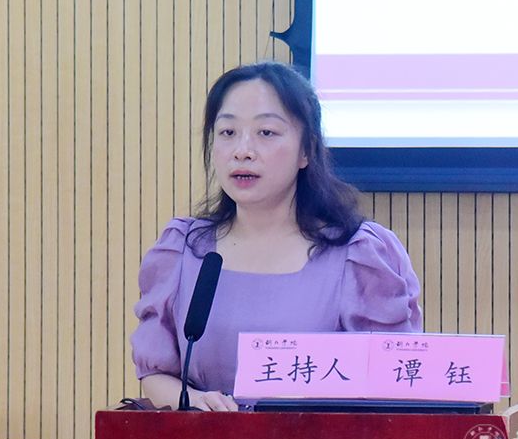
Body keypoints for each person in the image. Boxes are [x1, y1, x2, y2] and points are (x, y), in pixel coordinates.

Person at [130, 61, 422, 411]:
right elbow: (155, 371)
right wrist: (194, 402)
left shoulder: (360, 256)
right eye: (227, 132)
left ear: (306, 150)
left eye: (266, 132)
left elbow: (391, 383)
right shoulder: (184, 250)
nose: (242, 150)